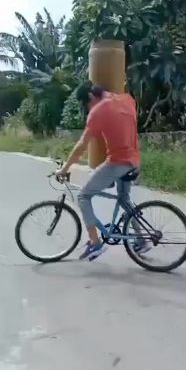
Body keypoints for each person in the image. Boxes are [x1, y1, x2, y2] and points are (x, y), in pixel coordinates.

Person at [55, 82, 150, 261]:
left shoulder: (99, 110)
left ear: (91, 97)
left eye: (86, 104)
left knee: (83, 196)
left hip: (118, 162)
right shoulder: (126, 99)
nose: (87, 108)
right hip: (134, 160)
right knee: (124, 200)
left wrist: (65, 168)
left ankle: (96, 243)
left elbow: (82, 144)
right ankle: (142, 240)